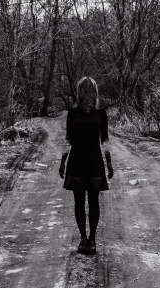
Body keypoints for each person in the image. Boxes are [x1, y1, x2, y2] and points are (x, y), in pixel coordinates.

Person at [59, 77, 113, 255]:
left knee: (94, 201)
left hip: (95, 161)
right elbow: (69, 139)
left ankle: (93, 239)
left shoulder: (101, 113)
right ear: (82, 91)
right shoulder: (73, 113)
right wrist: (63, 160)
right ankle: (83, 237)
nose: (89, 92)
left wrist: (109, 162)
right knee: (79, 201)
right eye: (86, 89)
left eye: (91, 89)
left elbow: (104, 140)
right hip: (76, 161)